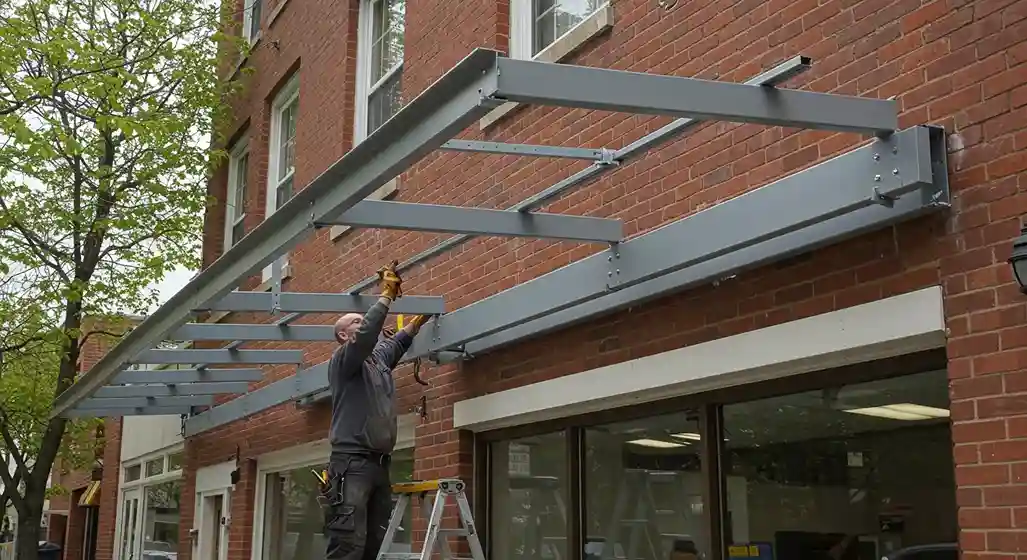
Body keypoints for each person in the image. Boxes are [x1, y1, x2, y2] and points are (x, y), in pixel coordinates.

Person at [322, 261, 431, 560]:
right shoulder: (343, 362)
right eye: (357, 322)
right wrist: (385, 296)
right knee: (347, 544)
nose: (364, 324)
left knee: (375, 543)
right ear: (345, 336)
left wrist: (417, 322)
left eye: (361, 320)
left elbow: (396, 343)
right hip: (351, 463)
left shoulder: (377, 361)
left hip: (379, 464)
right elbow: (369, 333)